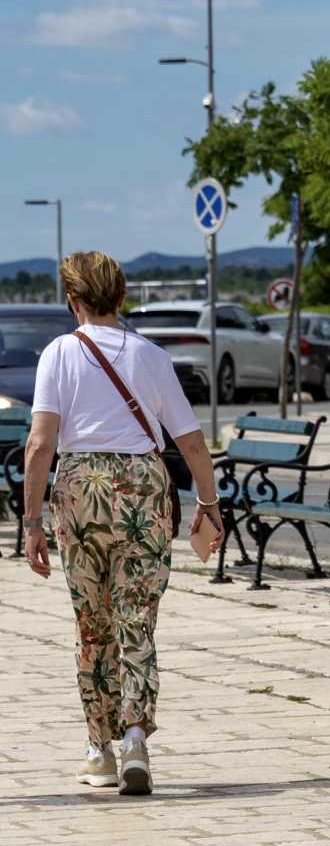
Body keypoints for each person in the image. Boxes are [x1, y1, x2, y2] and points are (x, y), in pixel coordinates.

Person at [21, 251, 224, 795]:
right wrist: (209, 503)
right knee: (137, 620)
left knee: (94, 625)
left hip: (80, 489)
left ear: (73, 300)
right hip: (143, 488)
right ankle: (135, 735)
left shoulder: (58, 354)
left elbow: (41, 444)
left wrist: (31, 520)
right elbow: (192, 442)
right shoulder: (151, 356)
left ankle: (99, 750)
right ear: (122, 297)